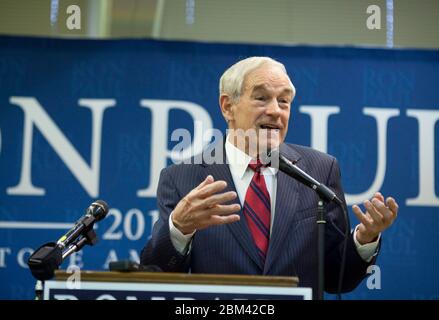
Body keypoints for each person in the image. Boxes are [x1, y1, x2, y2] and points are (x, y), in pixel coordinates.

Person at [140, 57, 398, 298]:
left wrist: (364, 239)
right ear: (228, 107)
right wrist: (179, 229)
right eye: (262, 98)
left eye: (284, 101)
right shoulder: (182, 178)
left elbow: (336, 279)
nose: (276, 111)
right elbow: (156, 274)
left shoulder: (320, 170)